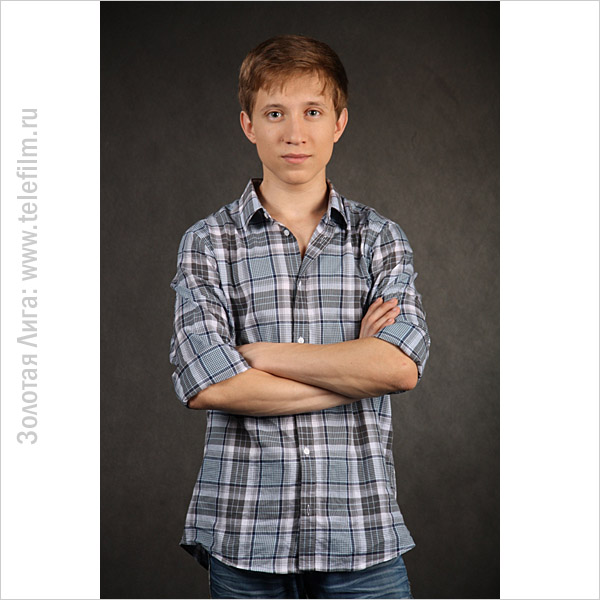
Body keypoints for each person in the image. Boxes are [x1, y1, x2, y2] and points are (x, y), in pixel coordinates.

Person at [170, 34, 430, 599]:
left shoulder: (379, 238)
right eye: (275, 113)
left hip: (362, 533)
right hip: (245, 535)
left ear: (339, 123)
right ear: (248, 125)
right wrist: (354, 373)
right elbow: (209, 385)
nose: (295, 132)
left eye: (312, 111)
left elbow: (399, 368)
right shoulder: (208, 243)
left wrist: (261, 356)